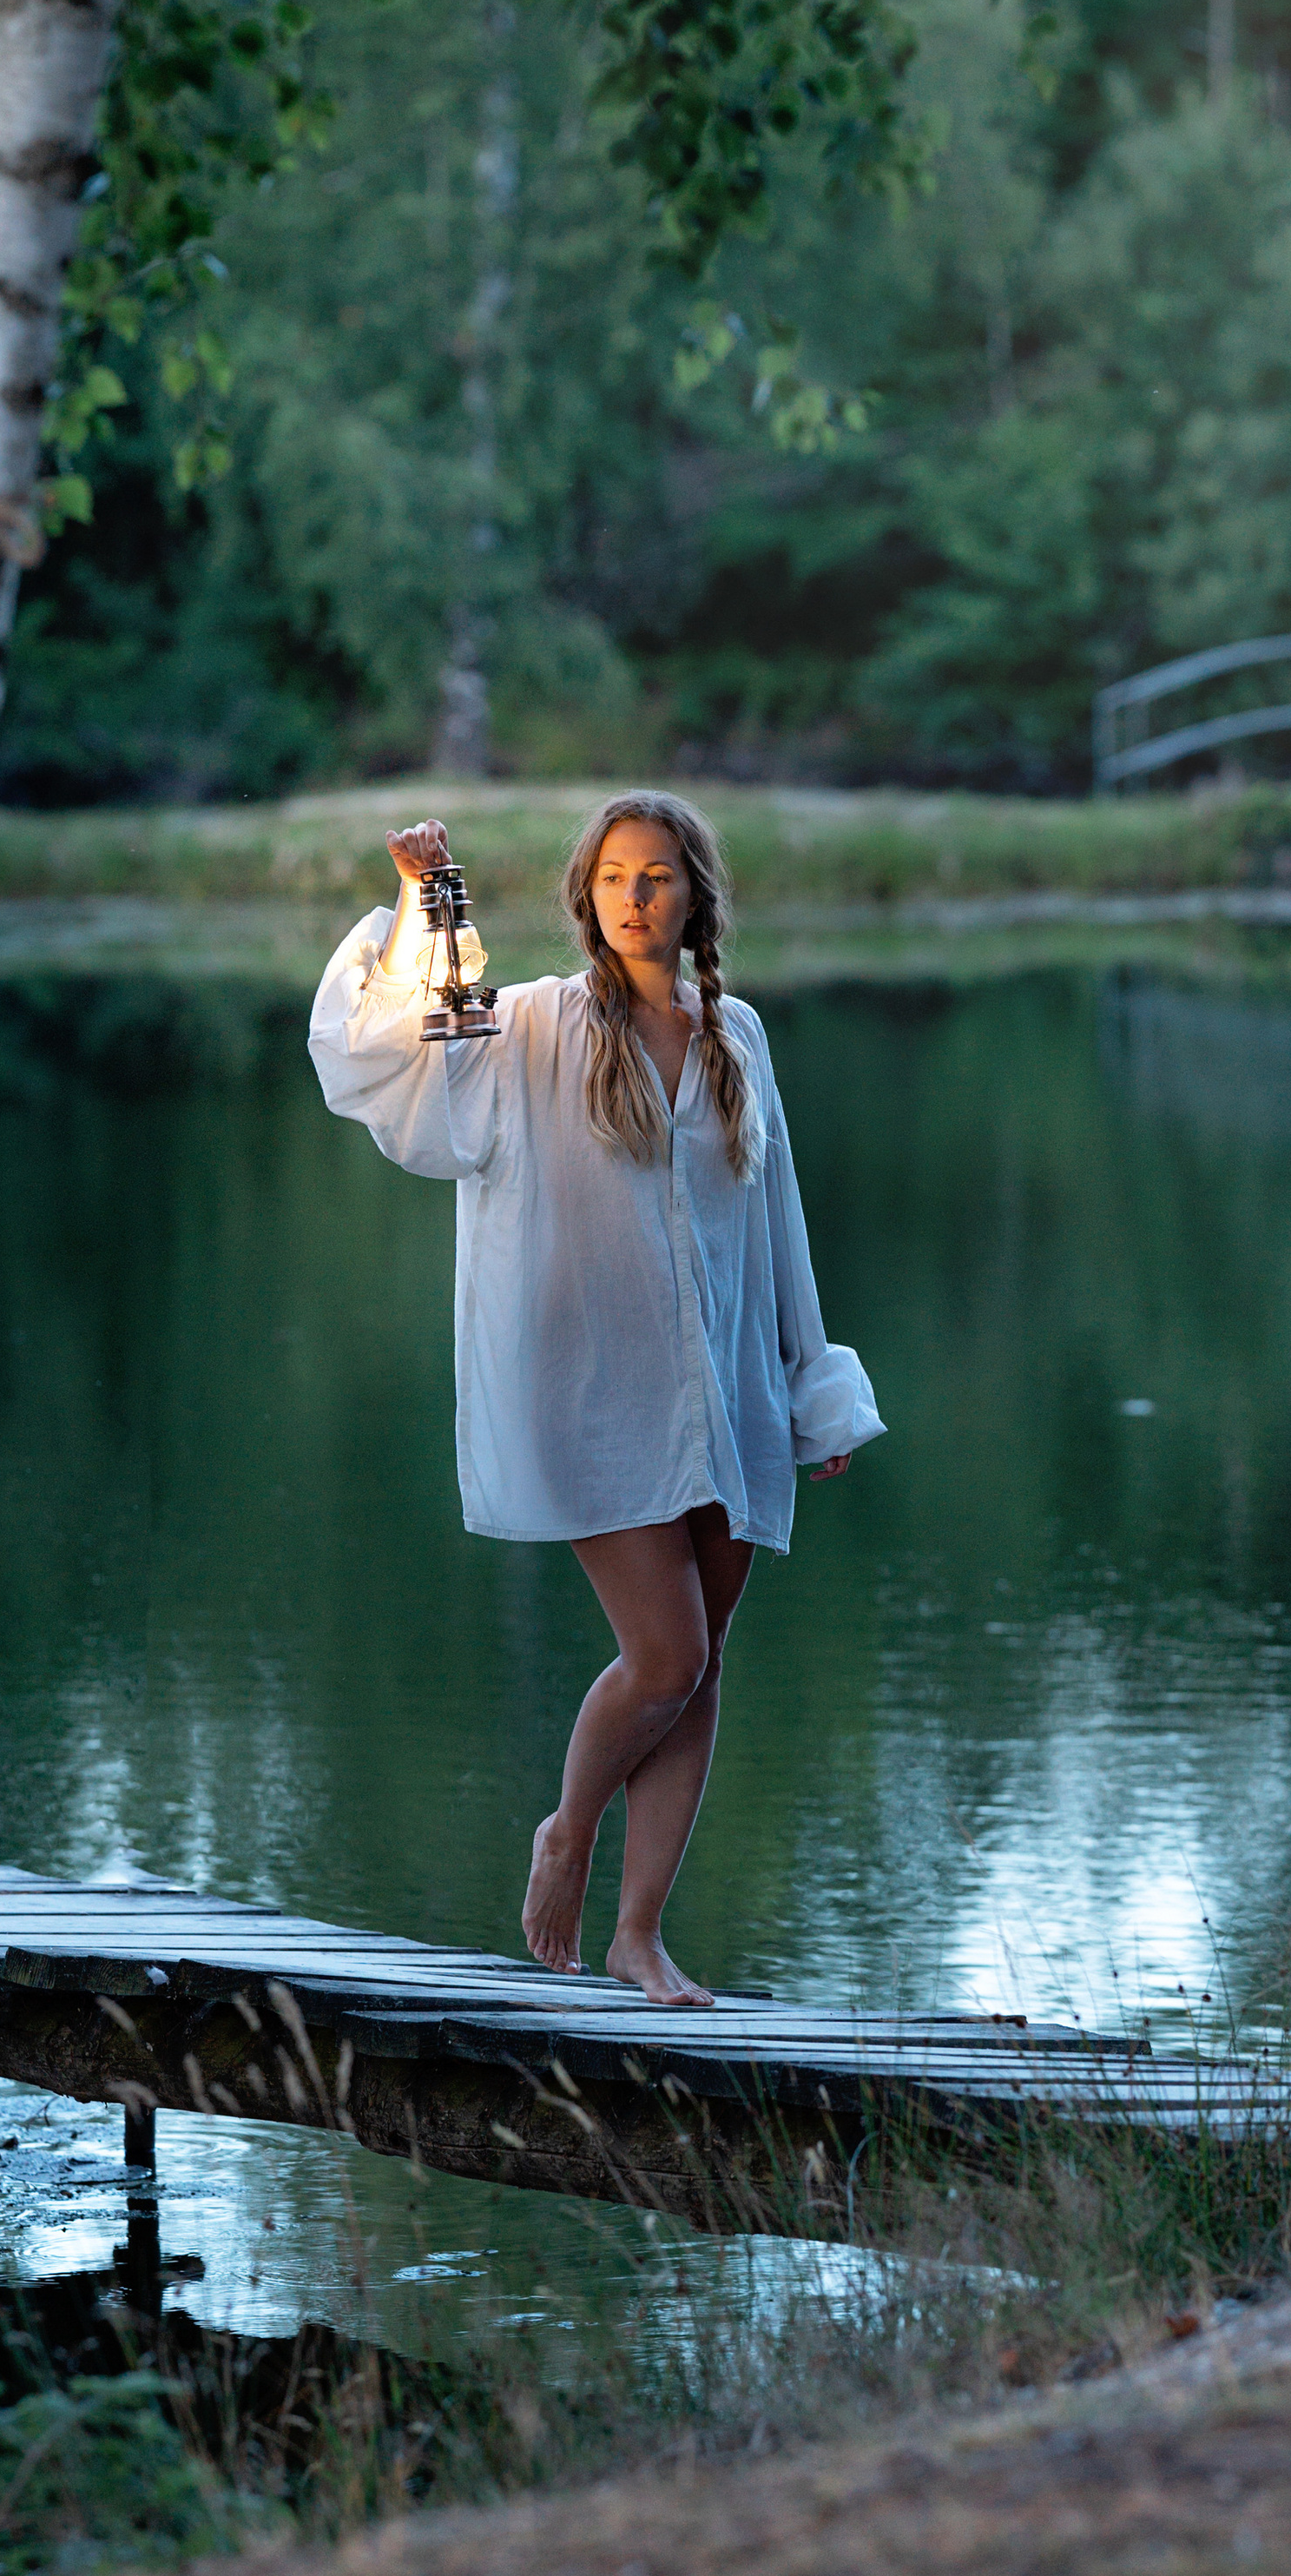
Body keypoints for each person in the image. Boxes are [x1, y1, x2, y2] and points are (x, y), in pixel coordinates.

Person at [308, 789, 882, 2005]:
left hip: (730, 1394)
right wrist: (434, 901)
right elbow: (406, 1059)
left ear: (694, 897)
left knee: (703, 1663)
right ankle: (567, 1832)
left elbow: (779, 1226)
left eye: (658, 876)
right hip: (595, 1392)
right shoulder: (529, 1029)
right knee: (663, 1652)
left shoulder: (740, 1037)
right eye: (615, 875)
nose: (635, 896)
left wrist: (811, 1384)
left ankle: (640, 1936)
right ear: (587, 896)